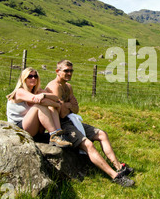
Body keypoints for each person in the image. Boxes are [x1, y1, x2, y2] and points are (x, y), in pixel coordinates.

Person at [45, 59, 135, 187]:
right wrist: (69, 105)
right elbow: (61, 113)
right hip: (61, 124)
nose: (69, 73)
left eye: (71, 71)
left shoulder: (68, 87)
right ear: (57, 71)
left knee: (102, 134)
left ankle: (119, 166)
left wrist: (67, 105)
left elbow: (76, 108)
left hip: (71, 119)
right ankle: (115, 176)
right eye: (66, 71)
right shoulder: (54, 87)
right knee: (88, 145)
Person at [6, 67, 72, 148]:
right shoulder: (20, 92)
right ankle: (53, 135)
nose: (33, 78)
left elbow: (56, 98)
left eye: (35, 76)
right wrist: (57, 104)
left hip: (34, 128)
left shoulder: (38, 91)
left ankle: (58, 133)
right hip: (19, 128)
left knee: (51, 107)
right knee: (39, 106)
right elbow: (38, 101)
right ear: (24, 79)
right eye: (30, 76)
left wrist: (44, 95)